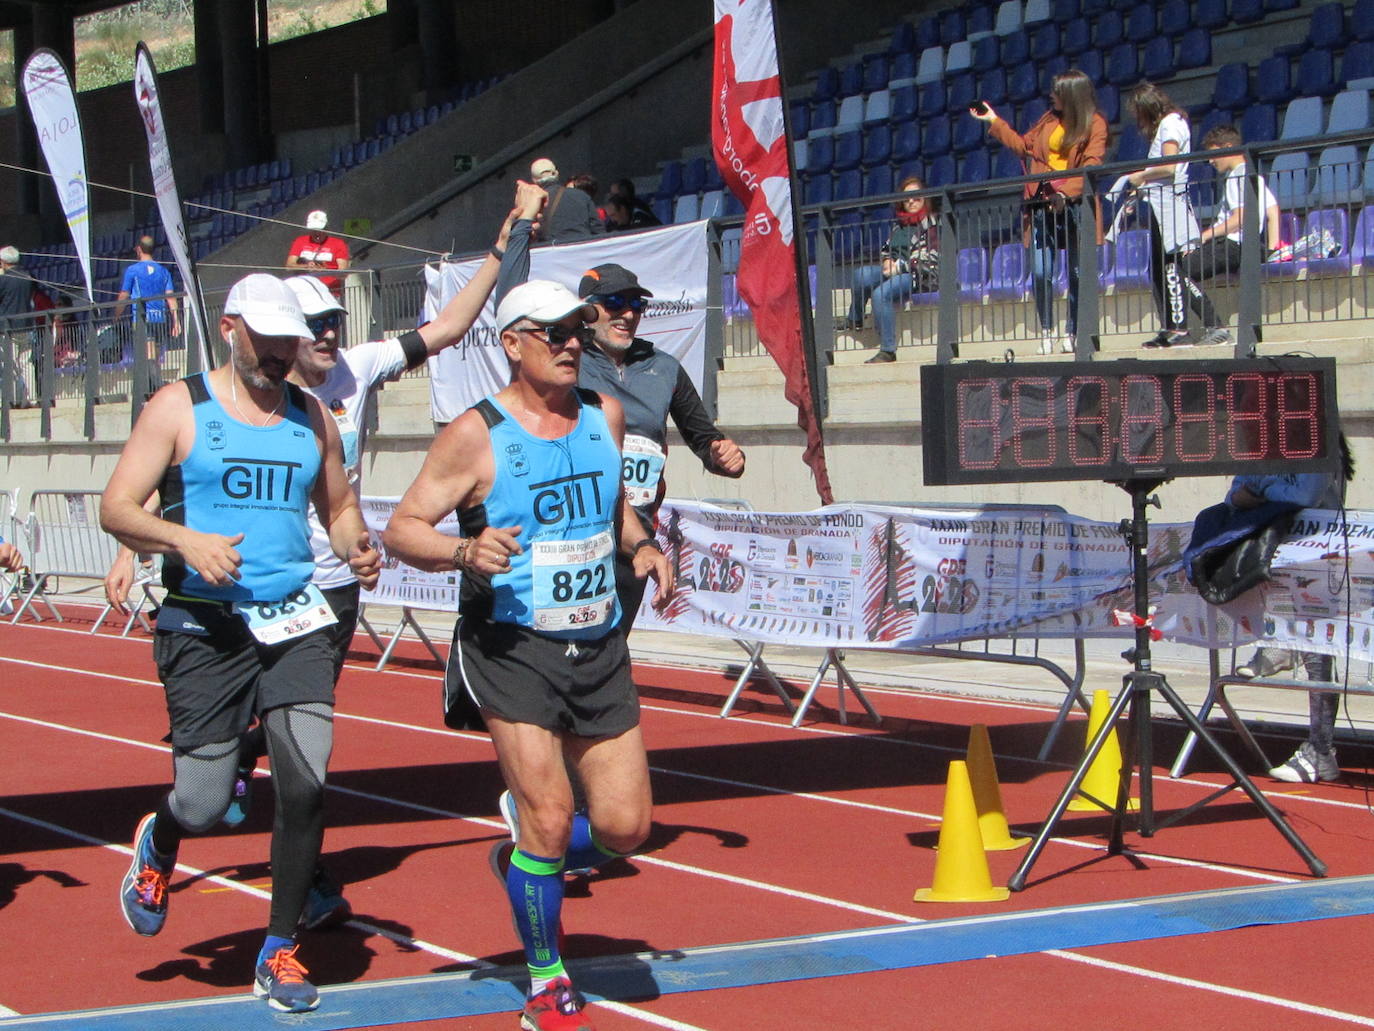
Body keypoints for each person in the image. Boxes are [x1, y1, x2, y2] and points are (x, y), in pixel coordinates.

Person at [382, 279, 674, 1031]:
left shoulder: (603, 415)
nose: (573, 340)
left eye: (578, 327)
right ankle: (547, 979)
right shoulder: (474, 434)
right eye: (553, 331)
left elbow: (614, 503)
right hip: (511, 646)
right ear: (513, 343)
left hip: (598, 641)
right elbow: (403, 527)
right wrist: (463, 549)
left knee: (626, 826)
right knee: (549, 818)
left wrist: (640, 545)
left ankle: (524, 854)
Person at [99, 272, 380, 1014]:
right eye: (269, 339)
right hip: (205, 625)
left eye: (290, 340)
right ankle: (161, 839)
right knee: (201, 798)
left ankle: (280, 946)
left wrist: (357, 544)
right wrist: (182, 538)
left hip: (293, 619)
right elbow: (116, 507)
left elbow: (339, 504)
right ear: (230, 329)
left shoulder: (311, 415)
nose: (283, 353)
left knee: (306, 777)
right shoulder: (178, 406)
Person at [576, 263, 745, 630]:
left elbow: (704, 438)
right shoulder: (567, 360)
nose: (628, 313)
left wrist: (724, 455)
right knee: (565, 655)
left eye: (637, 305)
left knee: (611, 650)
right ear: (587, 308)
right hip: (576, 535)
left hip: (632, 540)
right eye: (615, 302)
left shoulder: (664, 368)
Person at [1226, 445, 1355, 784]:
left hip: (1319, 560)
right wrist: (1254, 492)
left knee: (1319, 658)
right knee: (1310, 651)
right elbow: (1233, 495)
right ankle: (1280, 647)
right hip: (1278, 561)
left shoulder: (1317, 443)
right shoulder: (1262, 448)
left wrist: (1259, 490)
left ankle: (1320, 749)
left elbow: (1304, 493)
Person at [973, 69, 1108, 355]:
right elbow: (1023, 146)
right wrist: (994, 121)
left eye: (1057, 92)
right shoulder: (1048, 120)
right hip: (1040, 204)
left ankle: (1073, 331)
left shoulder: (1095, 124)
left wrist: (1063, 193)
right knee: (1041, 270)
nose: (1051, 95)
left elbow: (1091, 166)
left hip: (1073, 204)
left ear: (1071, 95)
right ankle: (1046, 331)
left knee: (1075, 271)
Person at [1177, 124, 1281, 348]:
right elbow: (1273, 211)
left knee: (1175, 270)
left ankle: (1216, 327)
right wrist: (1272, 250)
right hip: (1248, 245)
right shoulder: (1254, 174)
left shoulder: (1237, 176)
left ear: (1227, 147)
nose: (1210, 161)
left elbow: (1240, 218)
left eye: (1213, 154)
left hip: (1232, 245)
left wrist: (1203, 237)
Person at [1120, 83, 1200, 348]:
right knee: (1157, 269)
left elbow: (1169, 166)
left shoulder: (1170, 125)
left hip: (1169, 208)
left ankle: (1179, 329)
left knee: (1169, 268)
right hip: (1158, 204)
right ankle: (1168, 326)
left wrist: (1141, 175)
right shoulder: (1167, 126)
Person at [840, 176, 940, 364]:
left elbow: (931, 258)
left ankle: (888, 350)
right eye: (907, 198)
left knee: (880, 294)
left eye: (916, 197)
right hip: (895, 270)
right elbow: (887, 248)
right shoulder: (899, 224)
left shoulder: (933, 224)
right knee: (861, 275)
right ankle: (855, 318)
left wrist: (899, 267)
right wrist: (887, 261)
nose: (911, 201)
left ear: (925, 198)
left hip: (919, 275)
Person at [114, 235, 182, 400]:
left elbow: (124, 294)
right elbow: (170, 297)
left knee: (148, 355)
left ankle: (159, 387)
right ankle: (151, 391)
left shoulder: (133, 270)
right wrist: (176, 320)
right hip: (161, 319)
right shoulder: (163, 271)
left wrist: (117, 314)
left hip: (143, 319)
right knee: (155, 356)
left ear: (139, 249)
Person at [530, 157, 605, 244]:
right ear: (557, 174)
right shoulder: (582, 196)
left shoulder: (532, 204)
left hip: (552, 252)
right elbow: (599, 232)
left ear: (534, 180)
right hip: (582, 250)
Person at [0, 245, 35, 407]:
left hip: (7, 328)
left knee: (10, 364)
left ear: (3, 262)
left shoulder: (4, 280)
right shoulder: (28, 277)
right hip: (27, 326)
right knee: (26, 363)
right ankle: (32, 399)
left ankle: (11, 400)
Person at [287, 210, 351, 297]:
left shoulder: (338, 244)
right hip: (304, 291)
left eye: (320, 230)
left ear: (326, 228)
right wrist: (306, 266)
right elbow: (289, 266)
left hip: (329, 293)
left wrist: (324, 270)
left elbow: (343, 272)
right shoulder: (300, 241)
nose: (317, 234)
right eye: (313, 230)